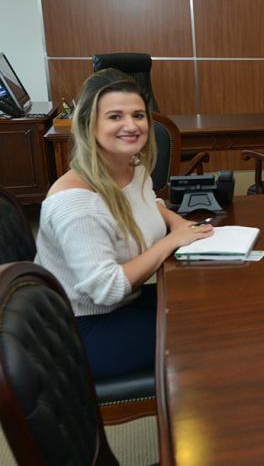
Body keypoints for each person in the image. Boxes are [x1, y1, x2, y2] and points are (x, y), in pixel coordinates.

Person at [35, 69, 213, 379]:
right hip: (78, 326)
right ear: (90, 126)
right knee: (202, 338)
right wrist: (170, 242)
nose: (131, 125)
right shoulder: (75, 203)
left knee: (213, 309)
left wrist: (177, 222)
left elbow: (149, 202)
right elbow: (108, 288)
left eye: (138, 115)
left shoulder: (133, 166)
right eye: (115, 116)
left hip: (122, 304)